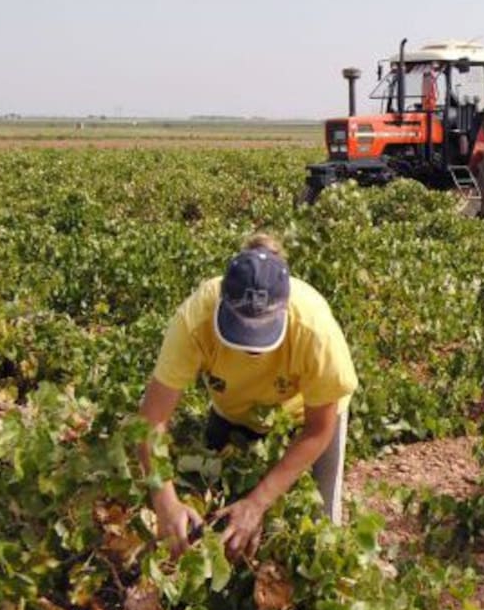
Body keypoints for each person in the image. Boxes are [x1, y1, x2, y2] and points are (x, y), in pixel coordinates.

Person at [137, 234, 358, 559]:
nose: (253, 349)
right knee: (208, 519)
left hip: (302, 421)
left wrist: (259, 502)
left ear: (285, 309)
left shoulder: (315, 330)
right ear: (222, 302)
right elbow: (152, 421)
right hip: (233, 412)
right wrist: (165, 500)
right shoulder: (195, 318)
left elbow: (318, 429)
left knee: (322, 530)